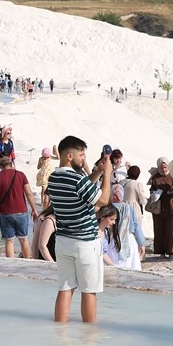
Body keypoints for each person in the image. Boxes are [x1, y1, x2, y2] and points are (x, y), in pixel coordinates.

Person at [46, 135, 110, 323]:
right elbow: (103, 200)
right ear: (69, 156)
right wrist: (107, 174)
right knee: (89, 291)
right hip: (85, 243)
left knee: (65, 288)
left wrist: (97, 172)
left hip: (64, 240)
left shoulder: (54, 177)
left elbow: (81, 189)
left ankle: (60, 333)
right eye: (81, 155)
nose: (84, 159)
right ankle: (89, 339)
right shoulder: (77, 180)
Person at [0, 154, 39, 258]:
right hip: (21, 212)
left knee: (9, 241)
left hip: (6, 214)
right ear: (11, 164)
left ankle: (11, 266)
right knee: (24, 239)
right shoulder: (21, 175)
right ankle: (28, 263)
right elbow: (29, 193)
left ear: (1, 167)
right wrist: (34, 209)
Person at [148, 157, 173, 258]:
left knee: (170, 229)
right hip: (158, 206)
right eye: (161, 168)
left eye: (165, 167)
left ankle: (170, 251)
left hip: (170, 205)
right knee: (159, 229)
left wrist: (166, 192)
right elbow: (152, 189)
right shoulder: (155, 177)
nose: (163, 170)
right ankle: (160, 251)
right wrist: (155, 193)